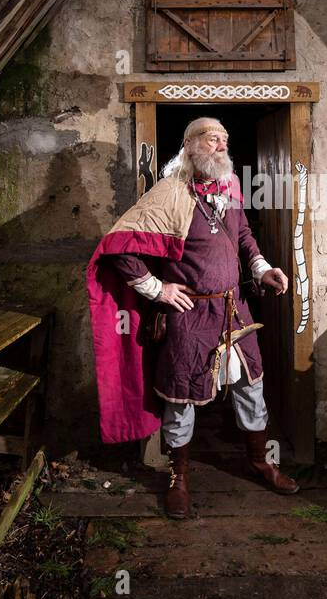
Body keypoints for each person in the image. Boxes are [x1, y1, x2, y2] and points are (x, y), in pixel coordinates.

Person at [86, 116, 299, 520]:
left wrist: (261, 268)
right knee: (181, 396)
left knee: (251, 386)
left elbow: (243, 237)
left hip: (234, 309)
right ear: (189, 145)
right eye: (211, 138)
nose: (221, 145)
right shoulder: (170, 192)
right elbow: (118, 246)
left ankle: (259, 462)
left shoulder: (231, 189)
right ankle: (178, 477)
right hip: (190, 315)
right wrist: (157, 289)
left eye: (225, 139)